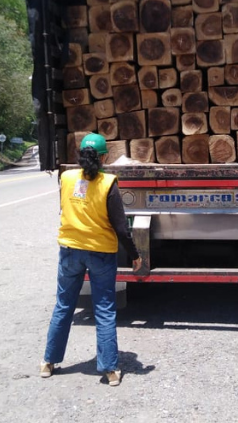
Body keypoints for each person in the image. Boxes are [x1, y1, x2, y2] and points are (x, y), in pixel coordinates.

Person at [41, 133, 142, 386]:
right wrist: (135, 254)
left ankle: (48, 363)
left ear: (79, 155)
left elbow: (65, 208)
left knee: (64, 305)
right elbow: (121, 227)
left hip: (70, 249)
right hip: (100, 253)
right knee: (104, 308)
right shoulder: (108, 183)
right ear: (104, 156)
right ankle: (109, 370)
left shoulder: (66, 177)